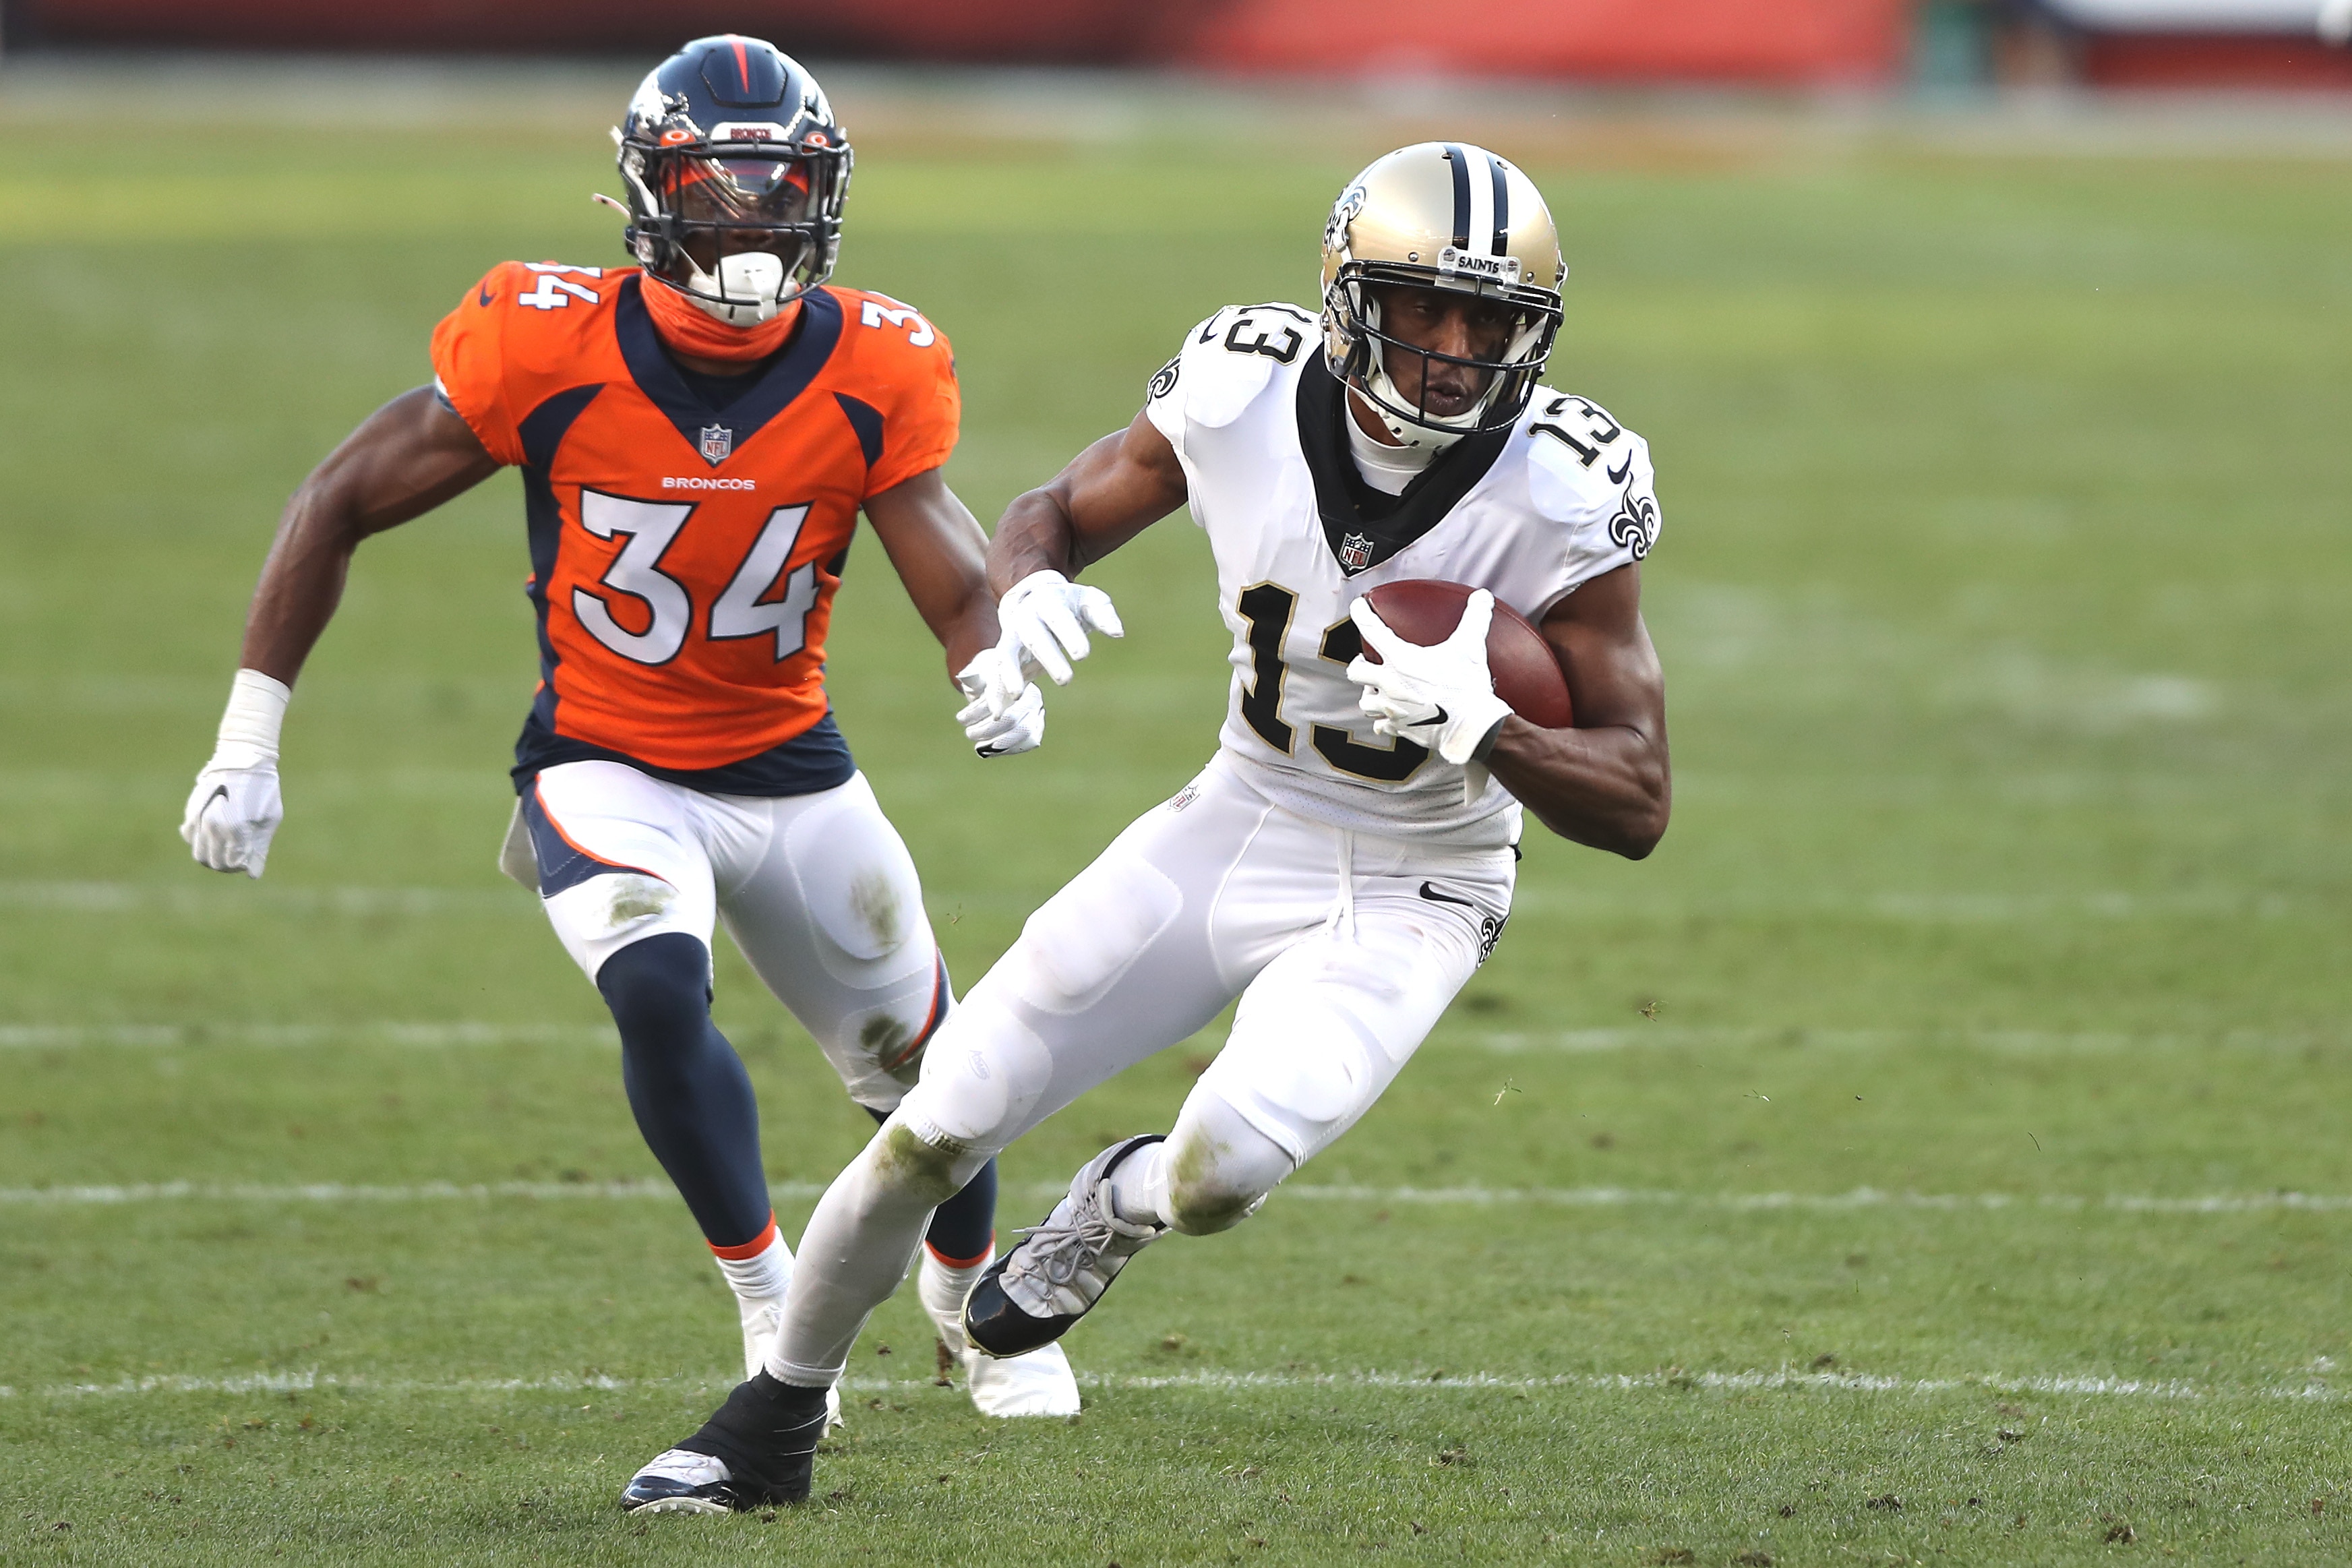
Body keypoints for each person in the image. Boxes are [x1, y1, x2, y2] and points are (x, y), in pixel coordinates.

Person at [620, 139, 1672, 1513]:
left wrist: (1487, 730)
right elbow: (1051, 508)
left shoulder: (1562, 482)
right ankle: (772, 1414)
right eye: (1425, 307)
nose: (1458, 349)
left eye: (1492, 319)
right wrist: (1023, 591)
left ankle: (1116, 1205)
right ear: (1349, 296)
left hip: (1419, 879)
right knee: (940, 1121)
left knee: (1221, 1168)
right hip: (1236, 814)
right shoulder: (1240, 385)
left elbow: (1638, 797)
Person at [178, 34, 1077, 1421]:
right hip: (606, 759)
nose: (754, 219)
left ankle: (967, 1291)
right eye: (718, 190)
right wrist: (250, 731)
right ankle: (772, 1298)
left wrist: (991, 656)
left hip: (790, 767)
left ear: (825, 195)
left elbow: (949, 567)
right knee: (657, 989)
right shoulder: (545, 340)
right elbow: (339, 497)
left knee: (936, 1075)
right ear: (652, 196)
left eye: (781, 188)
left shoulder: (875, 362)